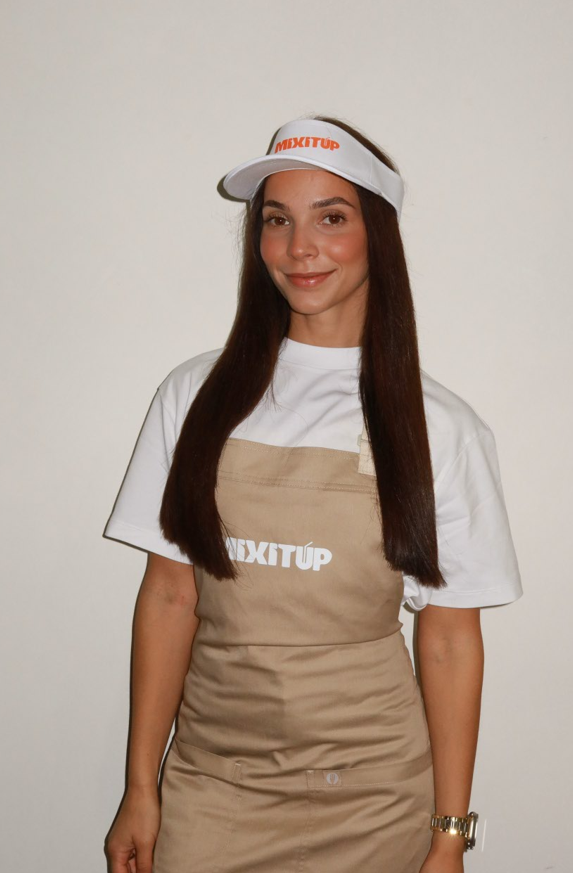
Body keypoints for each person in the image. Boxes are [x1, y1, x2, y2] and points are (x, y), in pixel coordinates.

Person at [102, 115, 523, 873]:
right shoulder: (194, 394)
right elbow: (169, 598)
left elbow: (451, 637)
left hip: (375, 798)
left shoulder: (440, 426)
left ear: (376, 235)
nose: (300, 247)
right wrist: (140, 788)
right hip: (212, 789)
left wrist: (448, 835)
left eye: (331, 218)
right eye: (277, 221)